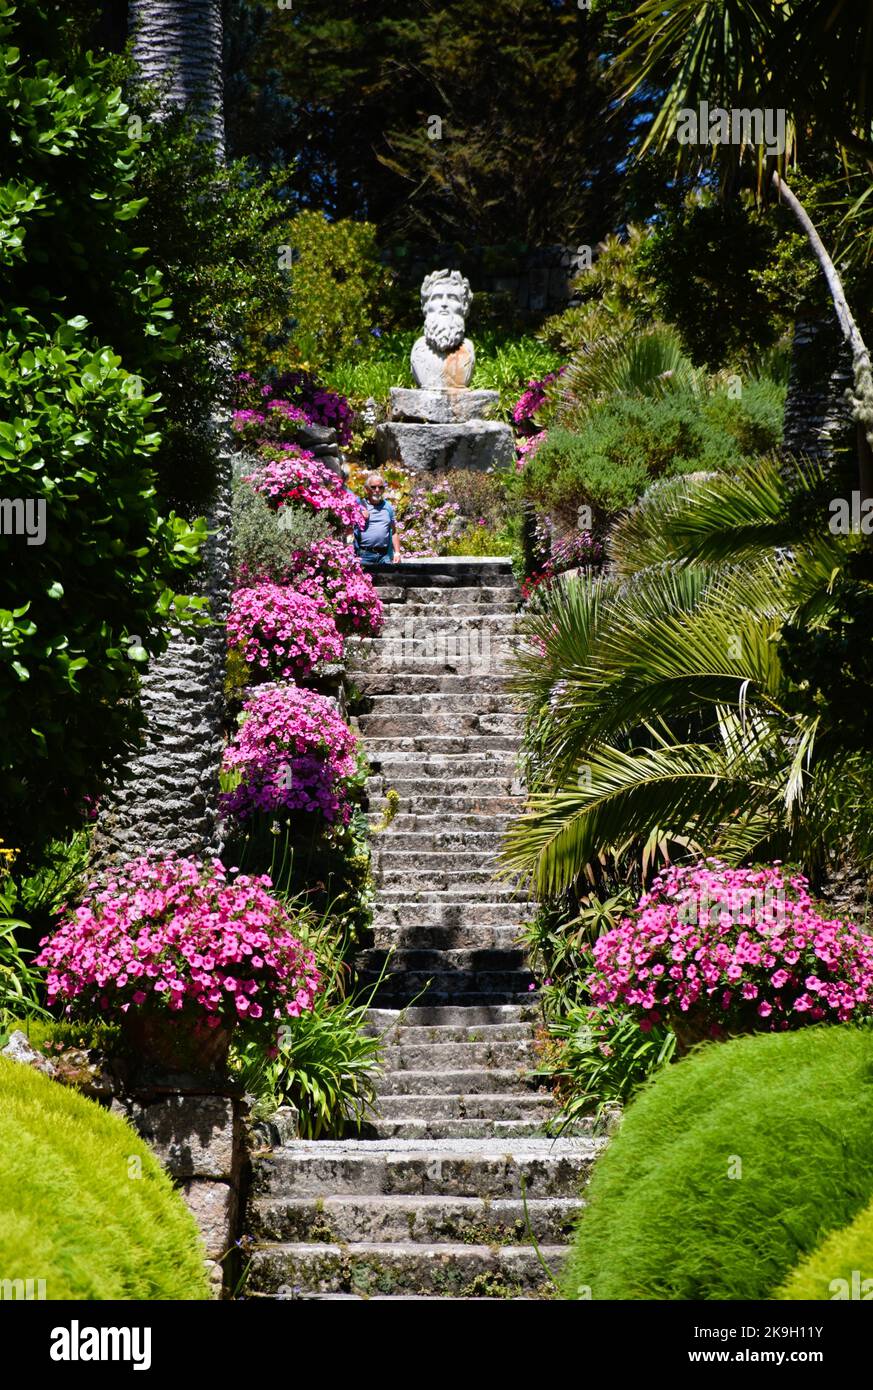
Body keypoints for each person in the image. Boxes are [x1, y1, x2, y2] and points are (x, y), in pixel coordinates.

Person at [354, 472, 400, 566]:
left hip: (384, 555)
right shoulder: (359, 505)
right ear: (366, 489)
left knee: (388, 579)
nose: (377, 490)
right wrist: (358, 514)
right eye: (373, 487)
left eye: (380, 487)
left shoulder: (388, 507)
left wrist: (397, 552)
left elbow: (394, 531)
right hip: (365, 555)